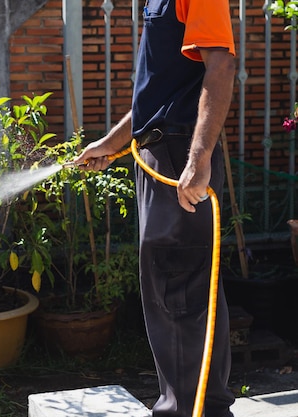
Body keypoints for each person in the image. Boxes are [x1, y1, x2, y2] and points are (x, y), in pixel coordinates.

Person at [72, 1, 236, 416]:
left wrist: (197, 159)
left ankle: (192, 410)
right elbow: (159, 98)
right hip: (159, 153)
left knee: (179, 290)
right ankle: (200, 407)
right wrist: (111, 143)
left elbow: (221, 67)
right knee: (174, 292)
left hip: (178, 156)